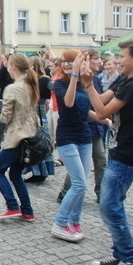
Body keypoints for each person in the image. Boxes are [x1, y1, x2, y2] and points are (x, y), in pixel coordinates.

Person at [82, 37, 133, 265]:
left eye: (123, 56)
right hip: (120, 150)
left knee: (109, 206)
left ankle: (132, 260)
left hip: (129, 153)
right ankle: (121, 254)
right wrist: (89, 86)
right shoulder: (127, 80)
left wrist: (88, 85)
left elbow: (101, 112)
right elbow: (102, 101)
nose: (119, 60)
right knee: (114, 205)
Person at [50, 49, 94, 242]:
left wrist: (103, 118)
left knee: (82, 185)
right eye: (65, 61)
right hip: (67, 137)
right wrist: (75, 74)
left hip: (85, 136)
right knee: (79, 183)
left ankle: (74, 221)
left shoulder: (87, 83)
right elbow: (68, 103)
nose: (68, 64)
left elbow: (86, 110)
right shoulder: (58, 83)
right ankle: (59, 223)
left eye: (72, 61)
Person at [0, 54, 39, 222]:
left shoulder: (13, 88)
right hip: (31, 135)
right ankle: (27, 211)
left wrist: (1, 113)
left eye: (9, 67)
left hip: (17, 136)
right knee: (16, 174)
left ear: (13, 67)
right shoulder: (31, 84)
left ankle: (12, 206)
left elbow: (5, 117)